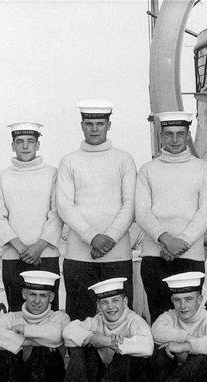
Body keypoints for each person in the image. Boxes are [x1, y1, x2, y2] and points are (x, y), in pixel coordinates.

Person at [57, 100, 137, 320]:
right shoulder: (69, 161)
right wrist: (92, 237)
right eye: (89, 124)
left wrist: (108, 238)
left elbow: (130, 204)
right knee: (80, 318)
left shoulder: (124, 160)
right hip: (78, 255)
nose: (94, 129)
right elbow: (64, 205)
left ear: (108, 125)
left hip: (117, 254)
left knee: (119, 318)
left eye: (100, 124)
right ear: (81, 125)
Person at [135, 111, 207, 321]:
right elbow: (142, 212)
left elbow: (206, 212)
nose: (175, 139)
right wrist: (166, 240)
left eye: (180, 133)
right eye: (169, 134)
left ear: (188, 135)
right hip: (155, 255)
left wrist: (182, 242)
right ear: (161, 137)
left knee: (190, 318)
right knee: (160, 316)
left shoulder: (203, 169)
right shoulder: (147, 170)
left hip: (190, 255)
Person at [57, 278, 153, 382]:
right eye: (104, 302)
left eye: (115, 301)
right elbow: (68, 331)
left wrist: (107, 342)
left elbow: (147, 347)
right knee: (83, 348)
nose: (110, 307)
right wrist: (92, 338)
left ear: (125, 302)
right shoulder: (97, 320)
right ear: (98, 307)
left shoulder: (134, 320)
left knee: (129, 353)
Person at [0, 122, 62, 312]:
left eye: (30, 141)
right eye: (19, 141)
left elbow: (56, 213)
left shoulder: (52, 174)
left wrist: (39, 246)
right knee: (17, 311)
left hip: (45, 256)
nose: (25, 146)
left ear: (37, 145)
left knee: (48, 312)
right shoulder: (3, 177)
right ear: (12, 145)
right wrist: (21, 248)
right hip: (14, 257)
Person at [0, 271, 70, 382]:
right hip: (18, 377)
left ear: (51, 297)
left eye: (43, 295)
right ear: (24, 293)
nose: (37, 301)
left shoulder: (59, 317)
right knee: (6, 351)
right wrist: (32, 341)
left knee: (43, 351)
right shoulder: (11, 317)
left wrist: (25, 331)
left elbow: (56, 336)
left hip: (46, 381)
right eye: (32, 294)